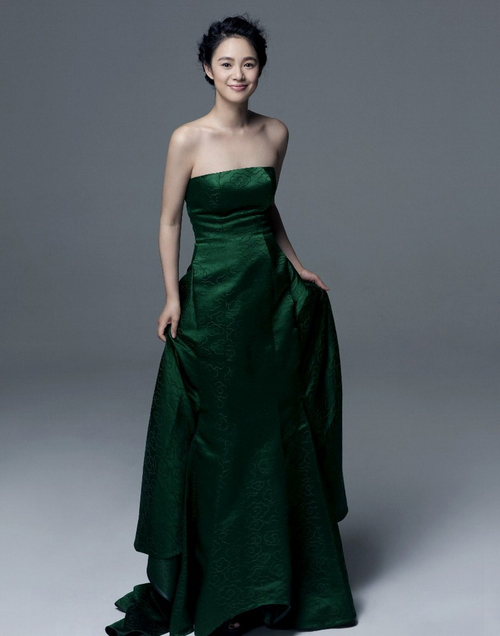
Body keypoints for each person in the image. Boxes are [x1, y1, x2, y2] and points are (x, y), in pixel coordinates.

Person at [105, 14, 358, 636]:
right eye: (226, 64)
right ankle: (219, 580)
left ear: (260, 69)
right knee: (220, 436)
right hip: (214, 301)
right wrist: (172, 296)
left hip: (268, 301)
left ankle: (271, 584)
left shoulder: (276, 133)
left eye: (248, 63)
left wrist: (297, 264)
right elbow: (170, 221)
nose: (238, 74)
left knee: (270, 430)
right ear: (207, 70)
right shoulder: (187, 139)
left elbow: (267, 210)